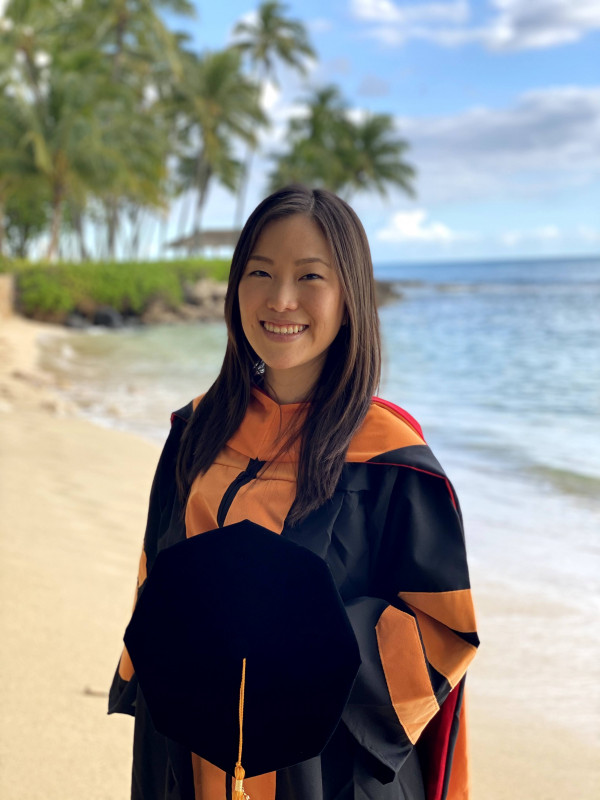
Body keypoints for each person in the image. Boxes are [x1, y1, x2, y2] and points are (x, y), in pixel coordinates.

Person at [109, 185, 479, 800]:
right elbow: (156, 581)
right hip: (191, 744)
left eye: (311, 276)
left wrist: (296, 647)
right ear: (236, 288)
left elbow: (443, 629)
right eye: (260, 272)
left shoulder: (390, 461)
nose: (281, 299)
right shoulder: (194, 434)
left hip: (328, 766)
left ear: (349, 296)